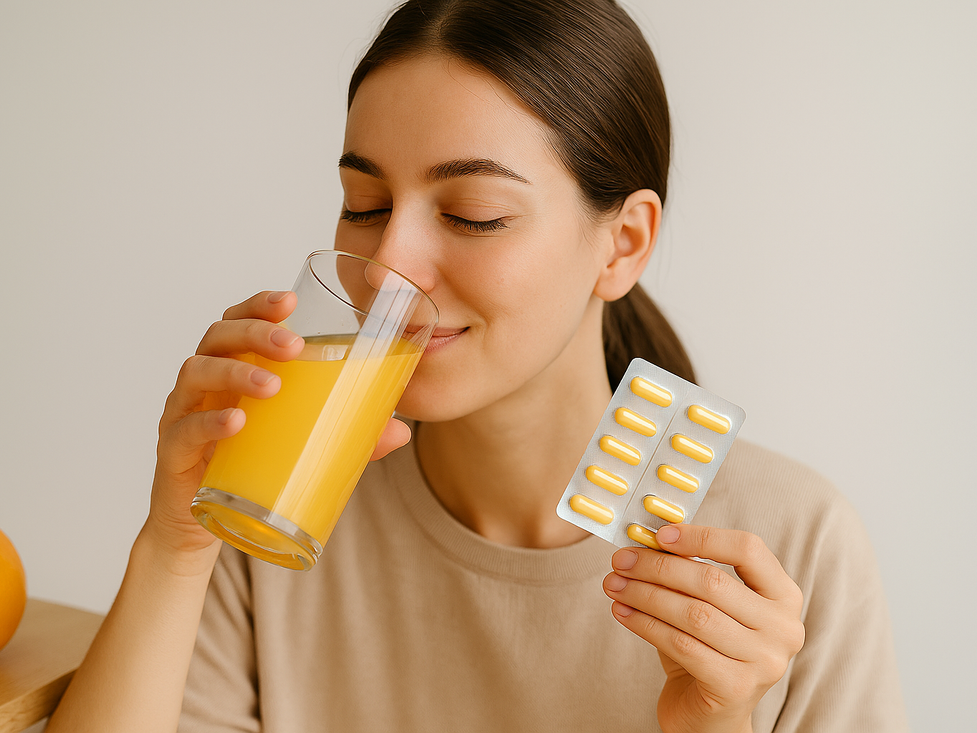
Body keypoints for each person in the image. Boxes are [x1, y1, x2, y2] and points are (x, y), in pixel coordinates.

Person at [46, 1, 907, 731]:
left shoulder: (790, 549)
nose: (390, 263)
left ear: (624, 243)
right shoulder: (276, 501)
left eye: (474, 213)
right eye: (366, 204)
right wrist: (172, 546)